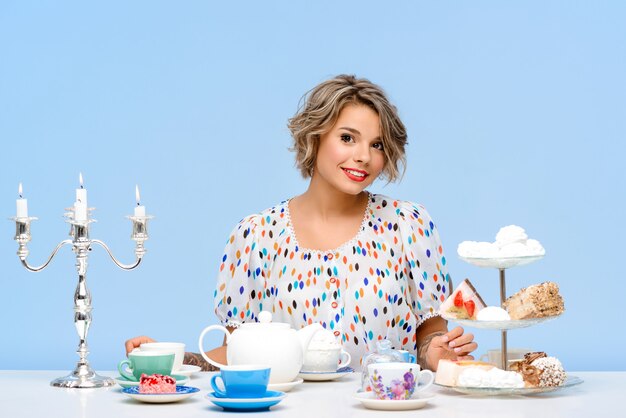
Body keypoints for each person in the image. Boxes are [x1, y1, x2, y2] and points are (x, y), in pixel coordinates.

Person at [126, 74, 477, 371]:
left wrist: (435, 353)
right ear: (315, 136)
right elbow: (238, 353)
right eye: (347, 138)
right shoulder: (256, 236)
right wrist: (169, 360)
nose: (363, 156)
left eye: (378, 145)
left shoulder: (409, 225)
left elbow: (429, 334)